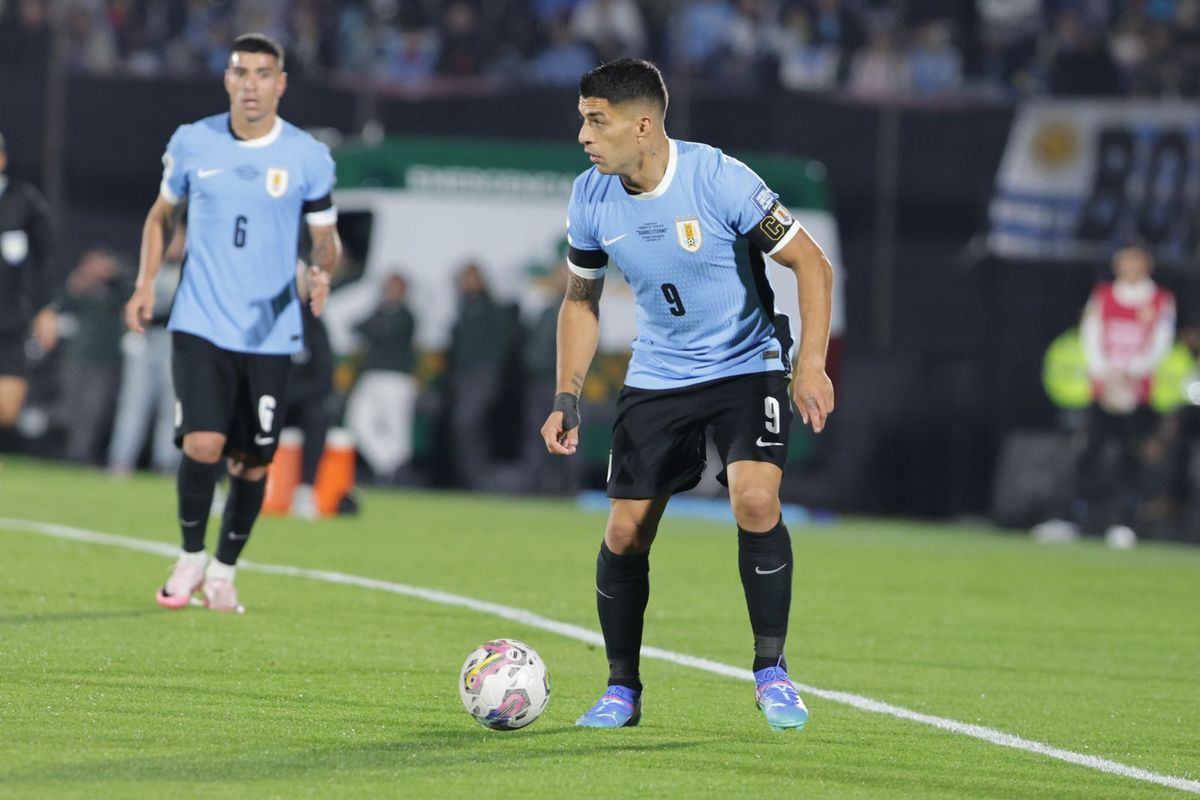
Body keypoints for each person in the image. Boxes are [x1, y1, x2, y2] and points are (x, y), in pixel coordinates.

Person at [541, 58, 835, 731]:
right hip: (660, 373)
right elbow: (580, 302)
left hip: (745, 363)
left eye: (597, 120)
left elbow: (810, 263)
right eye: (582, 119)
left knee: (756, 498)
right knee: (625, 530)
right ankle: (621, 690)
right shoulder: (590, 196)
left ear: (642, 124)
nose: (584, 135)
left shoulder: (717, 179)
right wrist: (566, 394)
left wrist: (810, 364)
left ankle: (772, 673)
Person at [125, 33, 342, 613]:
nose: (251, 83)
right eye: (241, 72)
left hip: (270, 333)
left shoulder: (307, 157)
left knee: (253, 461)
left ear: (281, 83)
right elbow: (161, 215)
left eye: (262, 73)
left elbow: (326, 240)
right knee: (202, 442)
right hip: (199, 321)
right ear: (227, 79)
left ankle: (223, 571)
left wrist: (320, 273)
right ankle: (191, 554)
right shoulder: (194, 142)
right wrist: (145, 282)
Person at [1032, 245, 1175, 547]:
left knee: (1130, 458)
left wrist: (1132, 374)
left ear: (1147, 264)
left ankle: (1124, 523)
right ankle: (1066, 518)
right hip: (1104, 391)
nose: (1130, 267)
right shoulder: (1104, 295)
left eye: (1136, 261)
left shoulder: (1160, 300)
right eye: (1125, 261)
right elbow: (1091, 336)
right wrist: (1106, 375)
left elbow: (1159, 344)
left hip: (1137, 393)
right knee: (1086, 455)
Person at [107, 215, 184, 476]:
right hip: (144, 339)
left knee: (171, 404)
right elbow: (127, 299)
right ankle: (120, 460)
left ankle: (165, 463)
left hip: (173, 342)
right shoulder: (150, 268)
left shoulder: (191, 271)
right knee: (133, 403)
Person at [0, 130, 58, 446]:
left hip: (10, 319)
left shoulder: (24, 201)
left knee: (8, 409)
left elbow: (46, 258)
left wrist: (46, 308)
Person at [345, 271, 418, 485]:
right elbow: (358, 326)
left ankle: (398, 473)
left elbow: (383, 332)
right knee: (358, 422)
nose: (391, 292)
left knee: (397, 428)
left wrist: (375, 328)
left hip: (397, 379)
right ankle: (389, 466)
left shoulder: (407, 315)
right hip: (371, 375)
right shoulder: (379, 311)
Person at [283, 260, 337, 520]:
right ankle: (224, 485)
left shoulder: (314, 323)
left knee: (317, 416)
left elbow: (324, 376)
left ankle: (305, 492)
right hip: (269, 397)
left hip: (297, 400)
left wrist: (291, 394)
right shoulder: (265, 320)